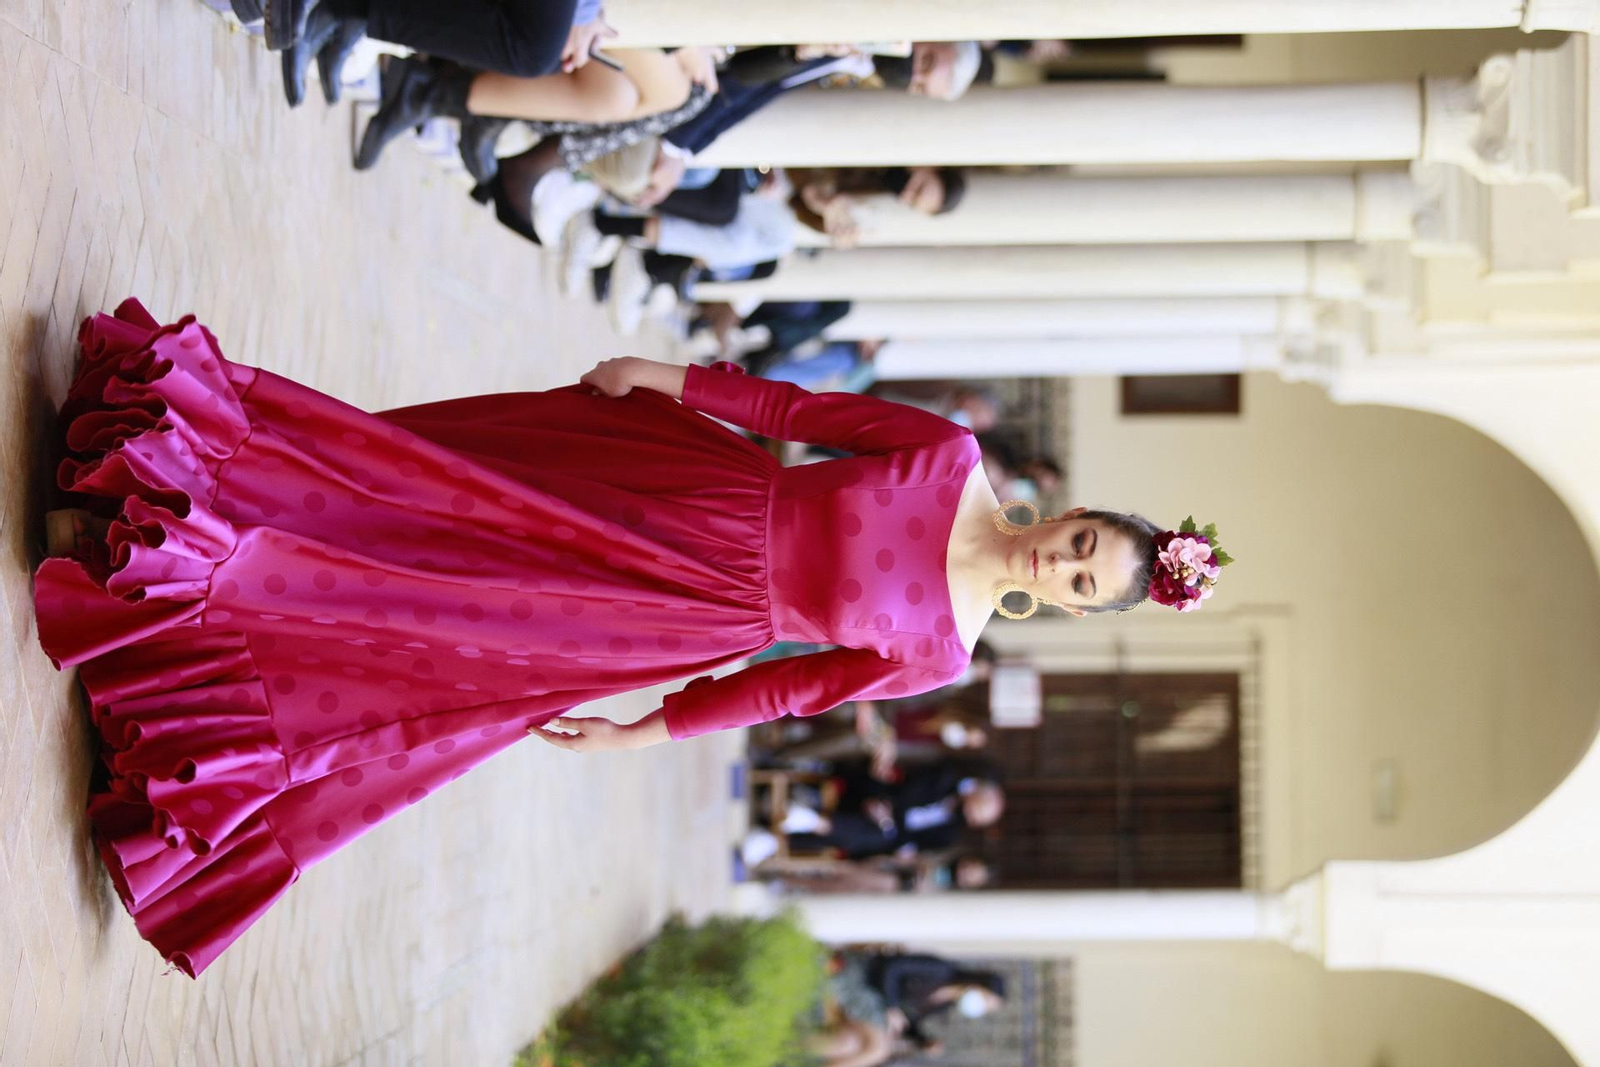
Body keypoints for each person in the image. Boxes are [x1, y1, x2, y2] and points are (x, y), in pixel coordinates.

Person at [34, 298, 1221, 976]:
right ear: (1068, 517)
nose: (1062, 564)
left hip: (674, 618)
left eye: (1081, 582)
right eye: (1080, 544)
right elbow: (797, 411)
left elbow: (790, 696)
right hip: (679, 499)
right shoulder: (943, 455)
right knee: (423, 506)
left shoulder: (942, 655)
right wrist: (671, 376)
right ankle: (151, 506)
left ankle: (168, 640)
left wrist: (648, 726)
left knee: (438, 634)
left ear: (1069, 607)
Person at [789, 166, 969, 248]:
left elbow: (796, 204)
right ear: (932, 166)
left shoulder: (874, 193)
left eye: (912, 203)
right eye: (918, 187)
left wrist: (823, 215)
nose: (906, 195)